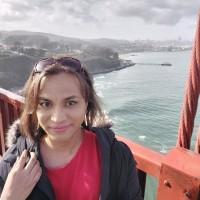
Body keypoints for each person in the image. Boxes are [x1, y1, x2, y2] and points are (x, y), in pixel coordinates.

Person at [0, 57, 142, 200]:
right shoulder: (14, 163)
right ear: (33, 106)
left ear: (87, 103)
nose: (57, 118)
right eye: (45, 104)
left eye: (70, 103)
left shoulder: (117, 156)